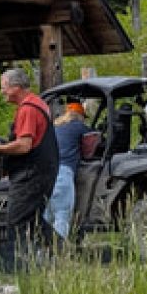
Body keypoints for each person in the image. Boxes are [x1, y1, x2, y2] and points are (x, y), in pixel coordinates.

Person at [0, 67, 58, 269]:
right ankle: (62, 252)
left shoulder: (28, 109)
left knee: (16, 221)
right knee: (34, 219)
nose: (2, 92)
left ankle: (19, 265)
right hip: (44, 171)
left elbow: (24, 145)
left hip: (31, 174)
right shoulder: (39, 103)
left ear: (16, 87)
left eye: (4, 87)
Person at [45, 101, 88, 241]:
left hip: (48, 174)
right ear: (80, 116)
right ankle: (58, 251)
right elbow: (97, 139)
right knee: (62, 214)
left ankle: (39, 252)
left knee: (47, 216)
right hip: (63, 174)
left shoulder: (55, 128)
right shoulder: (78, 126)